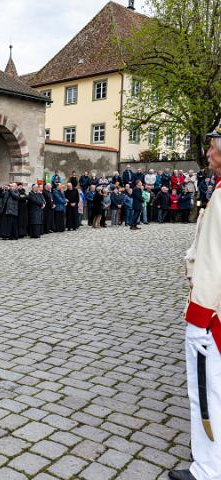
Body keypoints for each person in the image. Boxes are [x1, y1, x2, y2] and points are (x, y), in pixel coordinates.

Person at [169, 126, 221, 480]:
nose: (208, 151)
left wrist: (203, 317)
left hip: (210, 313)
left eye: (214, 145)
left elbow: (215, 260)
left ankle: (208, 468)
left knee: (206, 390)